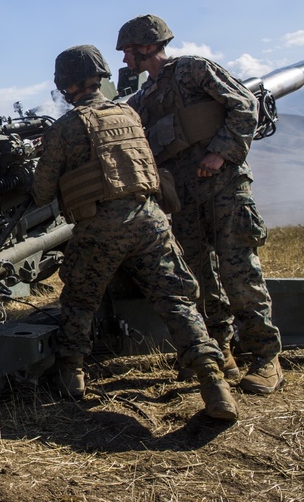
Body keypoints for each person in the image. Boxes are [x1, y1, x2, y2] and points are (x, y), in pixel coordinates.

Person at [32, 44, 238, 421]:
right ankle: (213, 381)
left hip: (101, 229)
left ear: (65, 84)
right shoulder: (129, 111)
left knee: (79, 302)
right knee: (176, 301)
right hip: (151, 221)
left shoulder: (65, 127)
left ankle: (72, 375)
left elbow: (43, 190)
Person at [117, 14, 282, 395]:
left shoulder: (194, 71)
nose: (126, 60)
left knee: (239, 273)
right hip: (184, 199)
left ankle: (265, 358)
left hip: (224, 188)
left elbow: (244, 106)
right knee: (198, 278)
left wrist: (220, 154)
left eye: (128, 51)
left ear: (147, 46)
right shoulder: (142, 100)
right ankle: (219, 351)